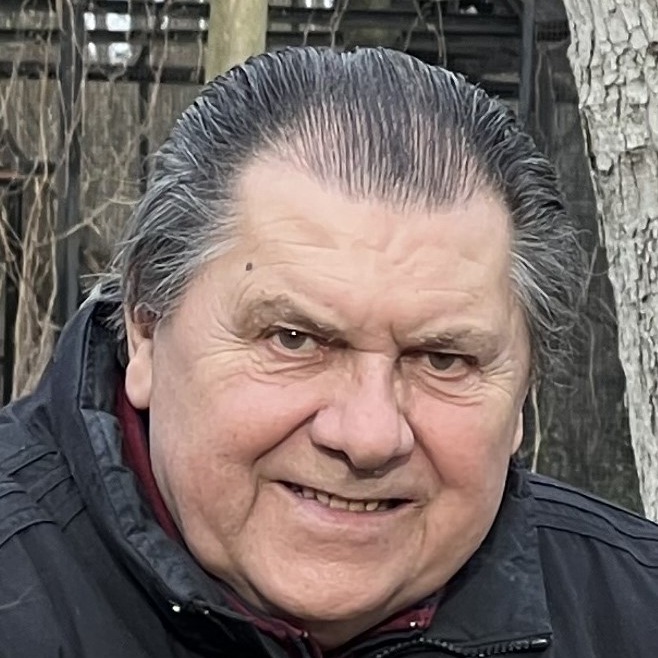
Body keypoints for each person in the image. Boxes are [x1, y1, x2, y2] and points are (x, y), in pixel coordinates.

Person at [0, 46, 656, 658]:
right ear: (146, 327)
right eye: (295, 340)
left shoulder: (633, 613)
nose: (368, 437)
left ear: (523, 392)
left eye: (443, 360)